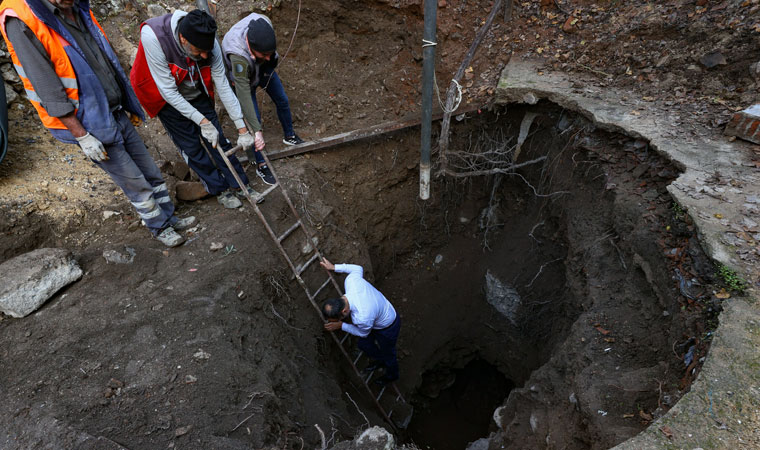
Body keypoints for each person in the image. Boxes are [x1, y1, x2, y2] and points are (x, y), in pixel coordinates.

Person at [0, 0, 194, 247]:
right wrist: (81, 135)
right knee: (134, 181)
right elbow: (47, 86)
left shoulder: (76, 7)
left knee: (151, 172)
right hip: (89, 122)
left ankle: (169, 217)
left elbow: (101, 55)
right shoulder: (20, 18)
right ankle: (159, 227)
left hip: (113, 109)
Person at [130, 9, 263, 209]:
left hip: (193, 88)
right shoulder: (154, 36)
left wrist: (242, 128)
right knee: (192, 147)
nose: (204, 55)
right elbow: (168, 91)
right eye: (198, 51)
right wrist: (201, 121)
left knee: (219, 139)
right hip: (163, 96)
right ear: (183, 38)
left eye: (206, 51)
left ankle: (240, 185)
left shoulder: (209, 43)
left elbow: (223, 85)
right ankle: (219, 189)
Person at [221, 13, 304, 186]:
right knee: (254, 120)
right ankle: (260, 163)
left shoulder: (264, 25)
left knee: (282, 99)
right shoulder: (237, 55)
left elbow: (269, 57)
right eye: (264, 53)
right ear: (251, 47)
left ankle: (289, 135)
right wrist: (257, 131)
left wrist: (268, 61)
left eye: (269, 53)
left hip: (261, 68)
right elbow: (243, 95)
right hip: (243, 80)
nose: (268, 56)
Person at [320, 258, 401, 385]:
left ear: (344, 312)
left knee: (389, 353)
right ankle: (380, 360)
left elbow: (363, 333)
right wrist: (334, 267)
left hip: (388, 325)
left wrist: (341, 325)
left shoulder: (362, 316)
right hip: (376, 316)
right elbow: (358, 268)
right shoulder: (351, 282)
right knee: (364, 345)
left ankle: (392, 375)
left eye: (338, 318)